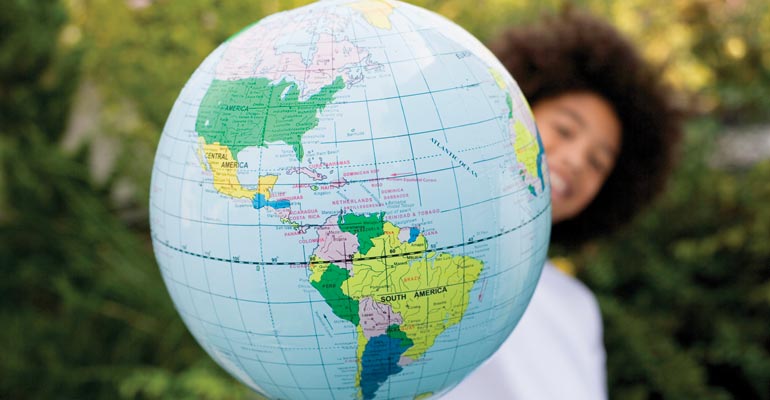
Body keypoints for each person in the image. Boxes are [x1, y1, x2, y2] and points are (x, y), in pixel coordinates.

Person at [442, 8, 682, 400]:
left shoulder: (579, 308)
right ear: (515, 110)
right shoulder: (404, 250)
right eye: (565, 129)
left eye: (597, 162)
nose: (575, 160)